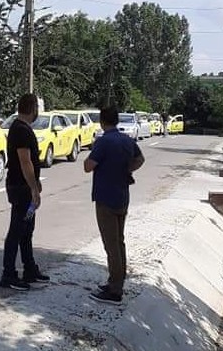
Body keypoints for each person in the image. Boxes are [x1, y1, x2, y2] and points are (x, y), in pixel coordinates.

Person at [84, 106, 145, 305]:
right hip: (122, 196)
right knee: (119, 241)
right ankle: (116, 280)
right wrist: (127, 169)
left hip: (105, 198)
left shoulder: (103, 141)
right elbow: (140, 159)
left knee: (111, 244)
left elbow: (88, 166)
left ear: (102, 121)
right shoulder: (127, 140)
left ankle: (115, 289)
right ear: (117, 120)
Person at [0, 93, 49, 291]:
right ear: (33, 108)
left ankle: (29, 268)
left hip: (26, 187)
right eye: (37, 108)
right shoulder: (21, 130)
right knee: (17, 230)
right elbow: (25, 161)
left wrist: (35, 183)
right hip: (21, 189)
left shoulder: (22, 128)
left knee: (27, 230)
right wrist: (34, 188)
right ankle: (8, 274)